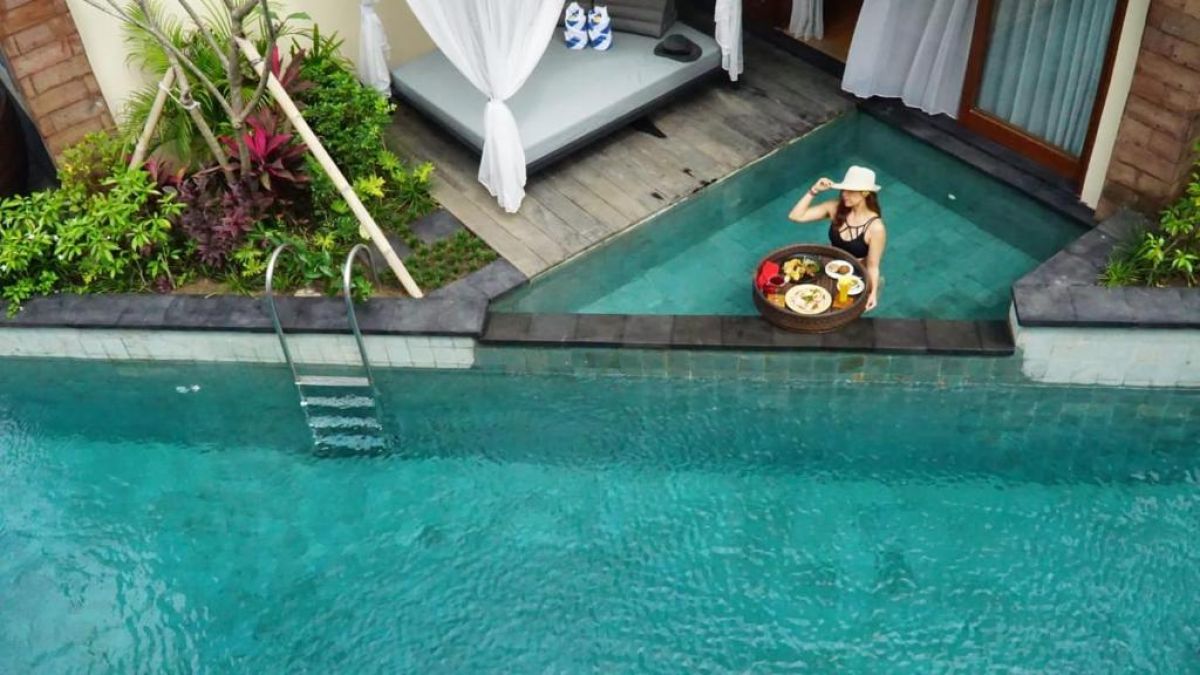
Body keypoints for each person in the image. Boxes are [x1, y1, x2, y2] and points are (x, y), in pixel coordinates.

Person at [788, 165, 886, 312]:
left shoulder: (876, 228)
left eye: (851, 191)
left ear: (865, 193)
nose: (844, 195)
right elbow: (795, 216)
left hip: (854, 279)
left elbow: (873, 266)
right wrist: (814, 191)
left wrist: (872, 294)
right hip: (829, 267)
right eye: (844, 190)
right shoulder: (834, 208)